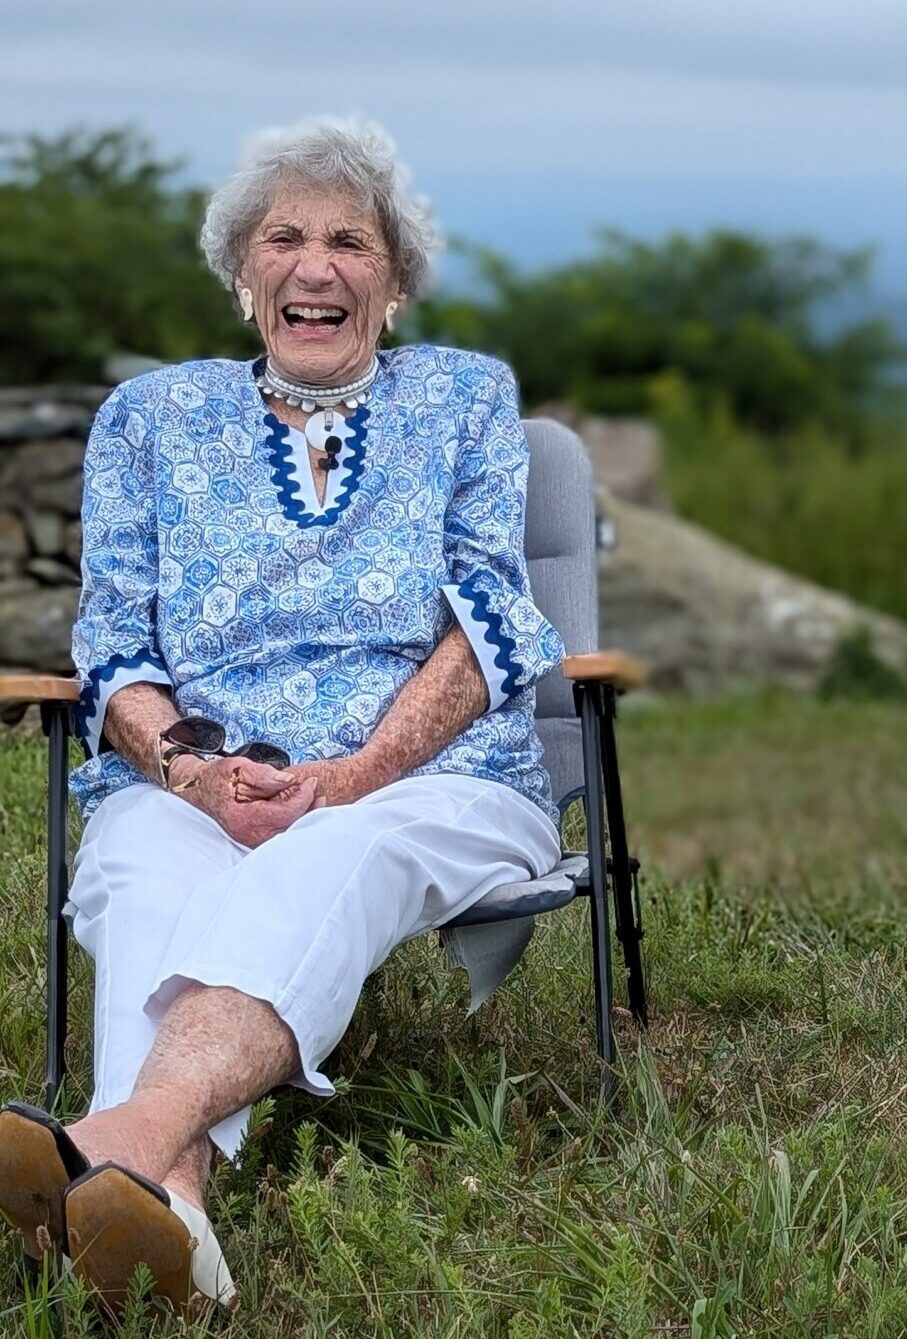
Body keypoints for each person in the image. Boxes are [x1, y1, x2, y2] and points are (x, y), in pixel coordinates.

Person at [0, 117, 564, 1310]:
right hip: (198, 776)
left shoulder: (465, 399)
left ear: (395, 283)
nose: (316, 267)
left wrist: (347, 776)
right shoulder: (149, 419)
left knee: (336, 854)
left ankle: (114, 1136)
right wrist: (195, 775)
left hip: (435, 779)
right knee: (146, 866)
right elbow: (112, 650)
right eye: (284, 239)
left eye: (350, 242)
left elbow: (487, 627)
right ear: (243, 275)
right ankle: (175, 1216)